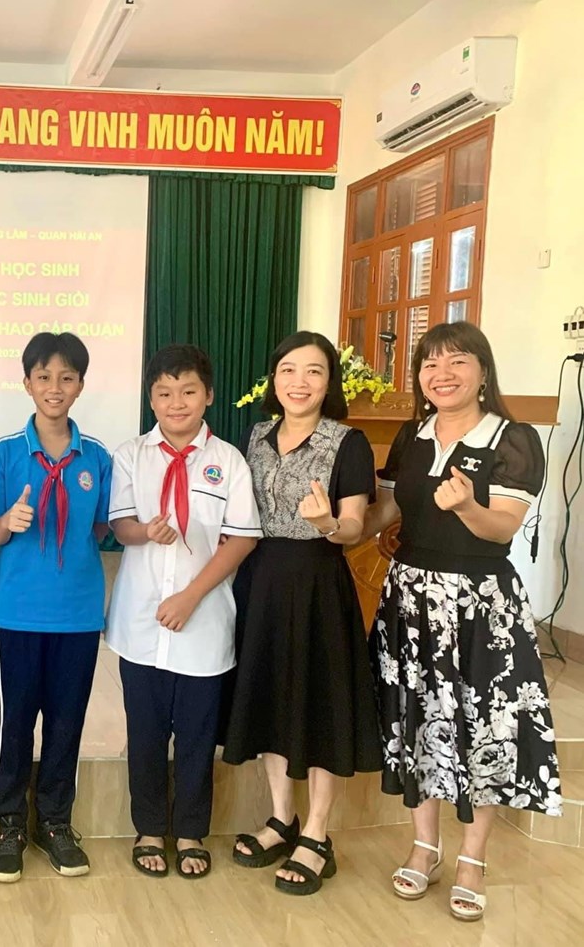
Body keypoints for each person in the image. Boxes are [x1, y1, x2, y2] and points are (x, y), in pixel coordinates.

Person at [364, 321, 560, 922]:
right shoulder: (412, 435)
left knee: (487, 724)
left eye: (457, 361)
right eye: (430, 363)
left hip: (480, 605)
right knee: (416, 716)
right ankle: (425, 846)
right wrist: (334, 524)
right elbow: (388, 510)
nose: (441, 374)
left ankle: (473, 859)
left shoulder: (513, 437)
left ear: (482, 372)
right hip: (410, 599)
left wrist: (470, 505)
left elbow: (502, 528)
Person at [224, 331, 382, 896]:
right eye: (288, 369)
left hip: (318, 585)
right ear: (274, 378)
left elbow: (355, 527)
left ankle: (317, 833)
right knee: (269, 698)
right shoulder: (256, 435)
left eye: (314, 371)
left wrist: (326, 524)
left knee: (318, 705)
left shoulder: (348, 442)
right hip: (260, 581)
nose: (299, 382)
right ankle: (281, 818)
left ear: (329, 381)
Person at [106, 344, 261, 880]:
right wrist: (144, 531)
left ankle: (191, 831)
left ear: (208, 395)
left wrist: (192, 596)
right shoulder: (131, 455)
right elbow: (120, 525)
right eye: (165, 393)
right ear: (151, 398)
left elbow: (242, 539)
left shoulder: (229, 461)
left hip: (204, 622)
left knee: (196, 736)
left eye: (188, 391)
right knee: (145, 733)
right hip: (141, 621)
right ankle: (150, 828)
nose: (177, 403)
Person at [0, 332, 112, 883]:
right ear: (27, 383)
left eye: (67, 378)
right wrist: (7, 523)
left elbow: (101, 529)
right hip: (17, 615)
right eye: (44, 377)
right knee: (16, 721)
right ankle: (10, 822)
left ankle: (55, 821)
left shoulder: (97, 457)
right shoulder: (5, 453)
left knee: (66, 720)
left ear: (80, 385)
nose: (55, 387)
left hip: (78, 614)